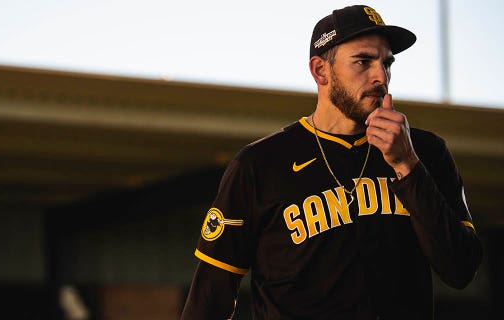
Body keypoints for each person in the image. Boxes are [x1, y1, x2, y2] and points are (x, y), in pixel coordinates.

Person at [180, 4, 483, 319]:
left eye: (387, 63)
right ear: (320, 70)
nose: (381, 76)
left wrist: (407, 165)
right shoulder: (260, 163)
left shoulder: (426, 151)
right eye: (363, 61)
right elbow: (209, 298)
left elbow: (461, 270)